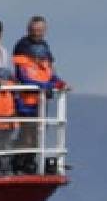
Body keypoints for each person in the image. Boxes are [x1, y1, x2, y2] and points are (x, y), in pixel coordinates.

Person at [11, 16, 68, 174]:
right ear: (28, 30)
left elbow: (49, 71)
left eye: (40, 31)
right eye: (34, 30)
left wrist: (59, 83)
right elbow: (23, 75)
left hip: (41, 99)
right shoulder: (22, 46)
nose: (37, 33)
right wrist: (43, 85)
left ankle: (30, 162)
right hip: (27, 99)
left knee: (38, 132)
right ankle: (18, 163)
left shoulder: (45, 47)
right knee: (27, 133)